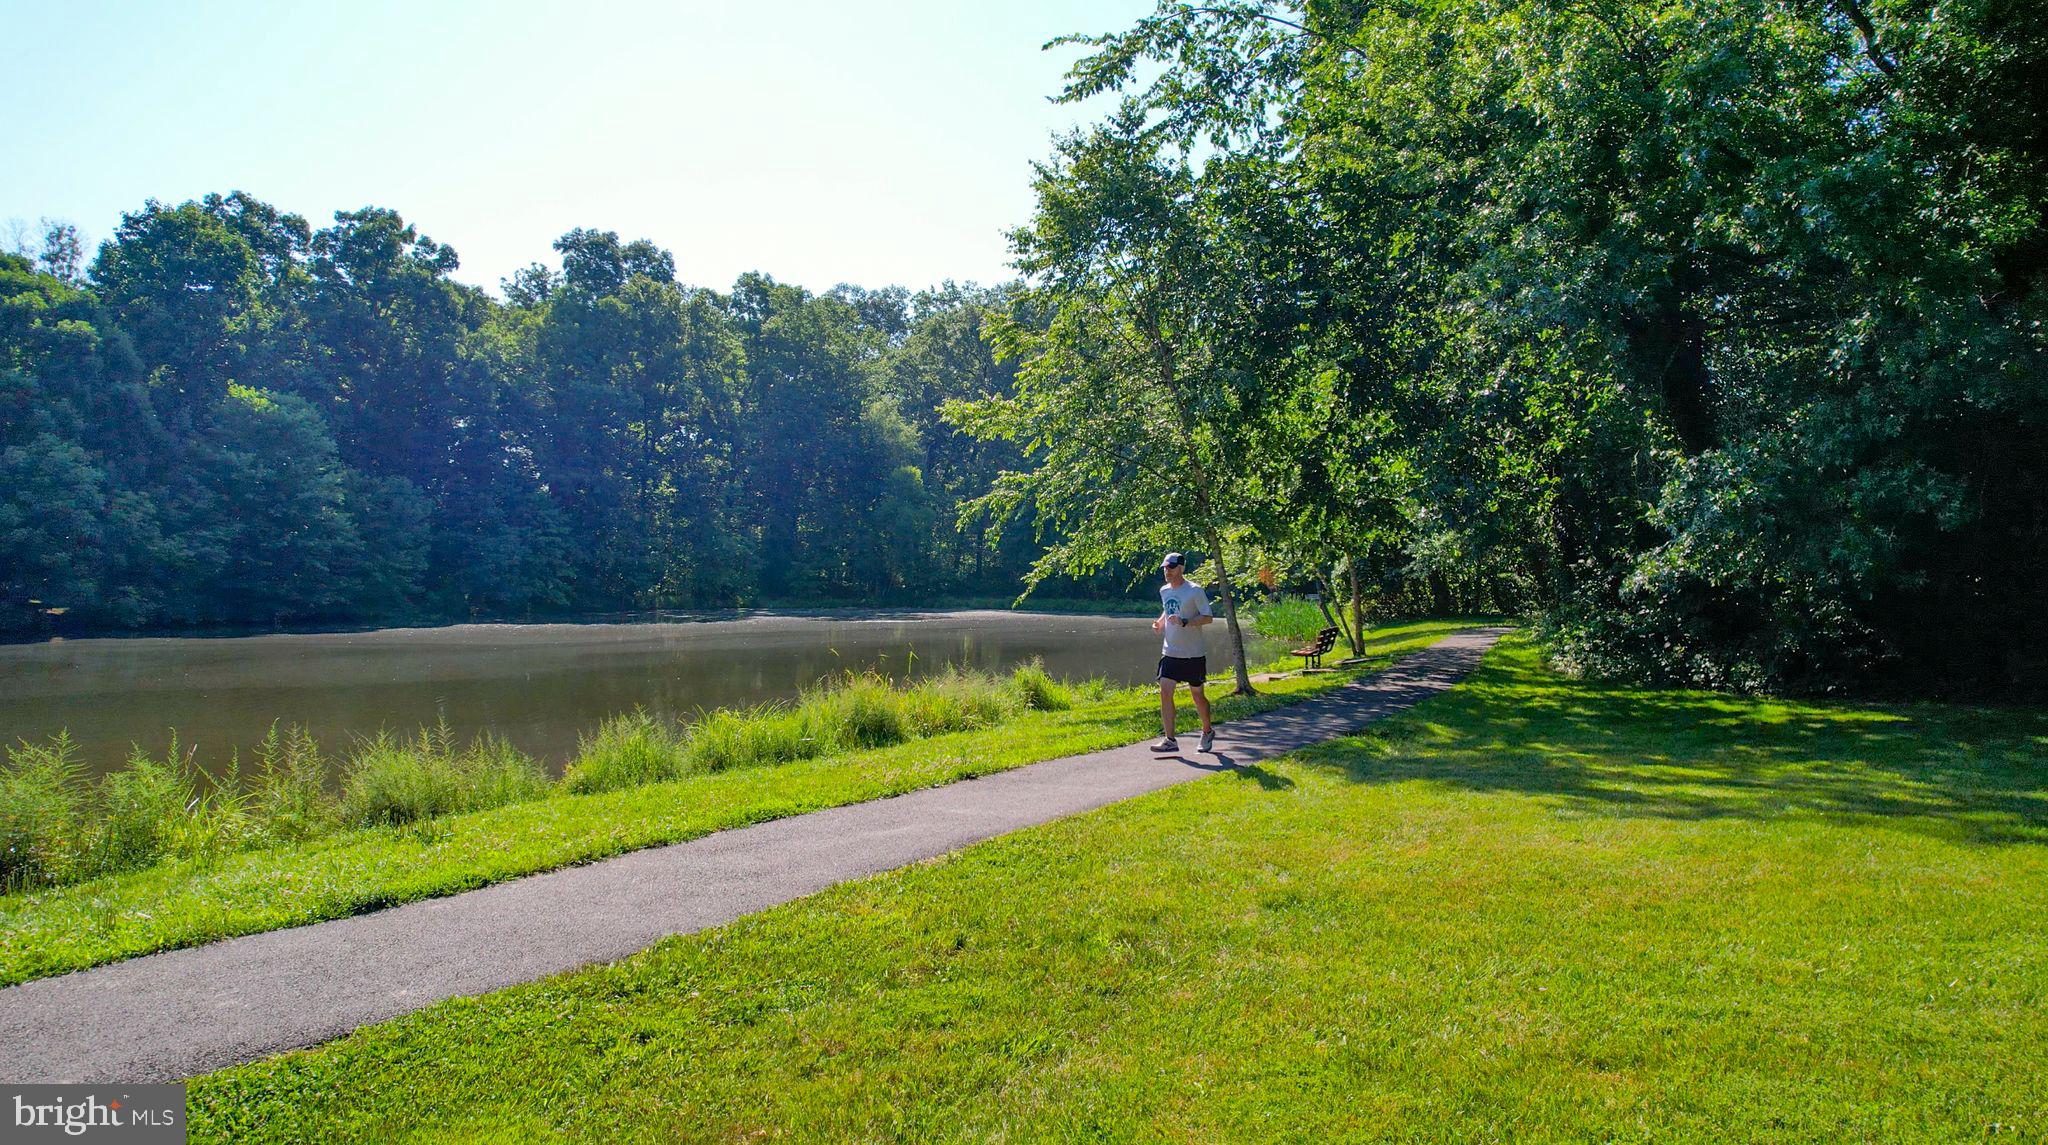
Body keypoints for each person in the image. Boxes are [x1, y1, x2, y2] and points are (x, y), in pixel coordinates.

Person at [1151, 551, 1216, 754]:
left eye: (1171, 568)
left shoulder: (1194, 590)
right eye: (1165, 568)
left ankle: (1207, 731)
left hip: (1193, 654)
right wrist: (1160, 623)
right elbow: (1168, 609)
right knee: (1165, 691)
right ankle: (1170, 740)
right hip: (1170, 652)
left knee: (1197, 695)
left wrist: (1185, 621)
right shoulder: (1164, 590)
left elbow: (1208, 617)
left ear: (1181, 568)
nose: (1167, 571)